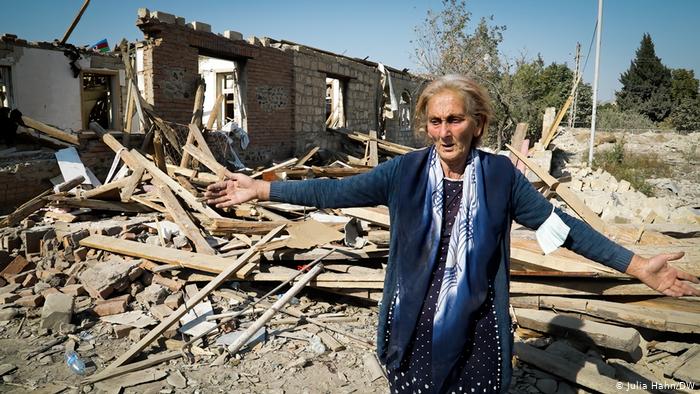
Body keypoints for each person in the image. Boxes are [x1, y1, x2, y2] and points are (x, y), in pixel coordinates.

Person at [205, 75, 699, 394]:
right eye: (435, 121)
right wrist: (263, 189)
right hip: (413, 322)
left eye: (455, 120)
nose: (444, 132)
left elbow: (561, 229)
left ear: (476, 124)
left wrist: (636, 266)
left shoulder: (503, 177)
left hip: (479, 326)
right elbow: (334, 193)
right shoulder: (404, 173)